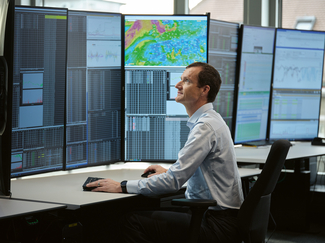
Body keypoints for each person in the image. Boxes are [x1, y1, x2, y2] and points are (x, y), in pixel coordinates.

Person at [86, 62, 244, 243]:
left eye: (186, 81)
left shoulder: (205, 127)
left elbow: (172, 184)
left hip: (216, 225)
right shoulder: (210, 121)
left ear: (204, 90)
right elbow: (193, 173)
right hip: (219, 218)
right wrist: (170, 172)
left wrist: (121, 186)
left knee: (131, 221)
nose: (177, 85)